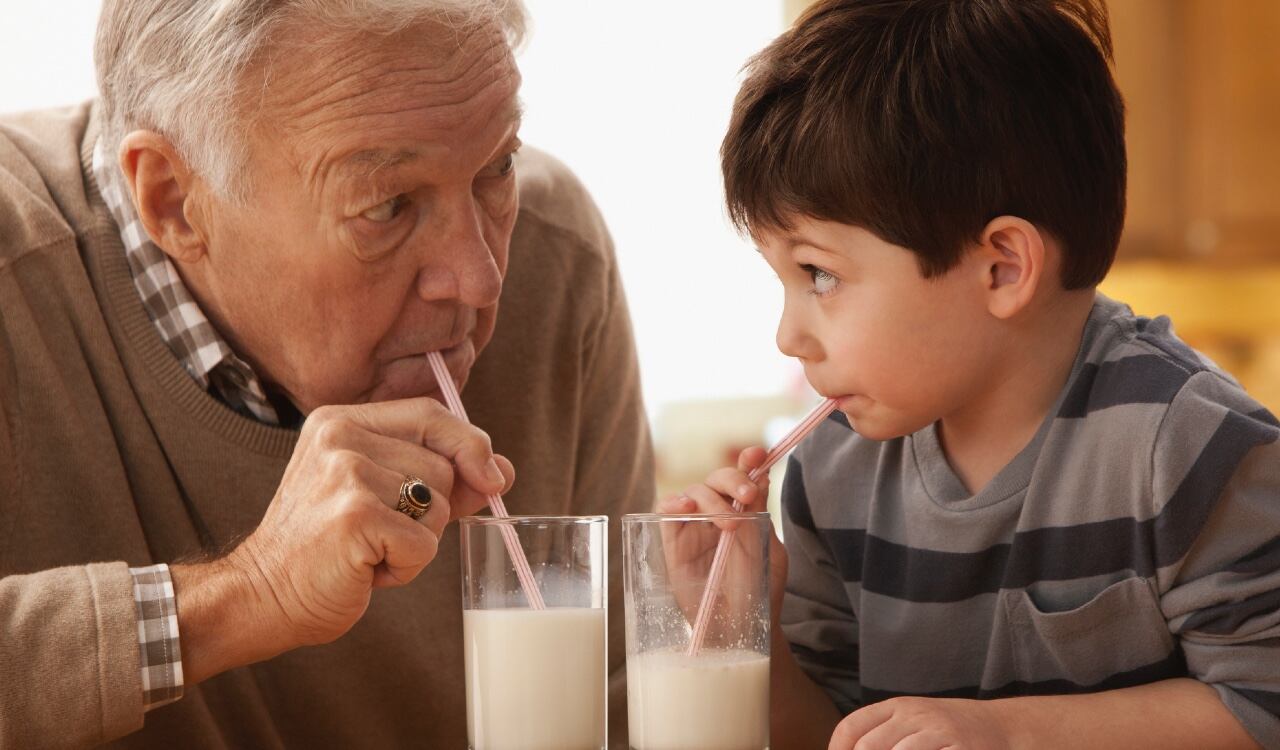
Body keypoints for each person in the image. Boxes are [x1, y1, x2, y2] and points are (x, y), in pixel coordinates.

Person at [0, 1, 653, 747]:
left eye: (496, 166)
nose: (478, 278)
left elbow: (627, 701)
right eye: (389, 206)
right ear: (175, 202)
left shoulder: (554, 253)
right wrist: (250, 594)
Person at [666, 1, 1280, 747]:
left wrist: (1008, 734)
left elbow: (1262, 704)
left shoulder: (1195, 448)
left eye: (820, 276)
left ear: (1002, 268)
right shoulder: (836, 468)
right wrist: (742, 635)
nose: (789, 335)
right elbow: (831, 732)